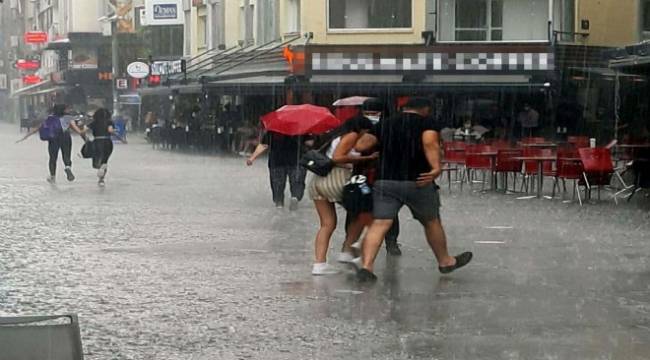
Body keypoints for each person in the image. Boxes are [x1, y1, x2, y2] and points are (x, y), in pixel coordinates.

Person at [354, 97, 473, 282]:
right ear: (425, 109)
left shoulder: (386, 124)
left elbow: (361, 145)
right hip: (418, 181)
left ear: (404, 108)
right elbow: (429, 143)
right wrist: (435, 168)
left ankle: (367, 267)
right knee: (431, 221)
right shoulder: (427, 122)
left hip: (386, 180)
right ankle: (445, 261)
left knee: (380, 223)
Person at [308, 116, 378, 275]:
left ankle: (319, 265)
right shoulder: (351, 135)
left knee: (327, 224)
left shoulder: (333, 136)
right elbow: (337, 157)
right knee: (366, 210)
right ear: (361, 128)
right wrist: (366, 158)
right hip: (337, 179)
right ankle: (349, 248)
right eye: (366, 131)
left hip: (318, 181)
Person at [343, 98, 403, 257]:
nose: (371, 117)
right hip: (361, 175)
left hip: (383, 175)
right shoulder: (356, 126)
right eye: (367, 113)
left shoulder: (389, 128)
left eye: (374, 114)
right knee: (356, 207)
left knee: (388, 210)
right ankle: (351, 242)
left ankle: (391, 241)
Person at [17, 104, 85, 183]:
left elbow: (37, 128)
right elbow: (77, 130)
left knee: (53, 157)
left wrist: (25, 137)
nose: (68, 110)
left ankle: (52, 176)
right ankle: (67, 167)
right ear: (64, 110)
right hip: (65, 137)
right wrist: (84, 133)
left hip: (53, 138)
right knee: (66, 155)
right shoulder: (68, 118)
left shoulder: (49, 118)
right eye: (67, 109)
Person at [247, 131, 308, 210]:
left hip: (277, 161)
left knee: (277, 185)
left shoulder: (274, 129)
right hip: (296, 161)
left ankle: (279, 204)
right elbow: (310, 143)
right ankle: (295, 197)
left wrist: (252, 158)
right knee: (297, 182)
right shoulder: (301, 128)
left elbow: (264, 145)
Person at [85, 108, 127, 186]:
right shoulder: (109, 122)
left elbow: (84, 130)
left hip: (97, 142)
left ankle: (100, 169)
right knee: (105, 160)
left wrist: (85, 139)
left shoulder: (94, 122)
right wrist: (121, 139)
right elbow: (110, 131)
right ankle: (101, 179)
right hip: (107, 142)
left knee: (97, 159)